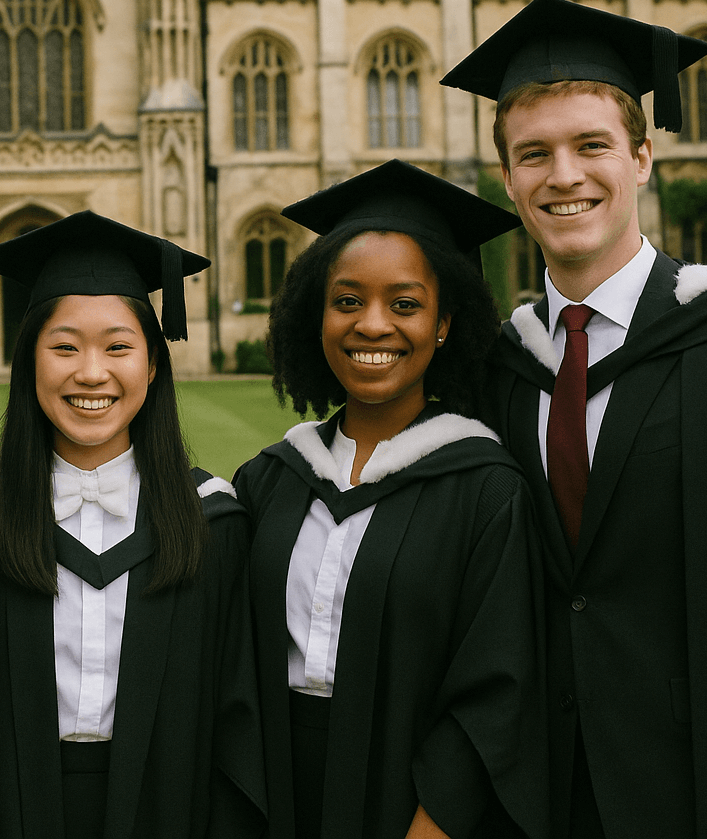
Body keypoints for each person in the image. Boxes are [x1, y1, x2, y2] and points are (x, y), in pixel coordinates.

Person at [441, 0, 707, 839]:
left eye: (591, 146)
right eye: (533, 153)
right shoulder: (497, 370)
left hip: (701, 777)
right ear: (507, 180)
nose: (563, 175)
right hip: (532, 792)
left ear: (643, 157)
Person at [233, 160, 546, 839]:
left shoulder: (485, 489)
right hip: (269, 796)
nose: (372, 325)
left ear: (443, 324)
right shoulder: (270, 480)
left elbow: (496, 692)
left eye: (405, 304)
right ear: (315, 316)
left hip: (414, 809)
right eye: (347, 301)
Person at [0, 211, 266, 839]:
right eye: (64, 347)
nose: (91, 373)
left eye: (118, 347)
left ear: (154, 365)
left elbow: (240, 727)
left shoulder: (213, 527)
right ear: (28, 360)